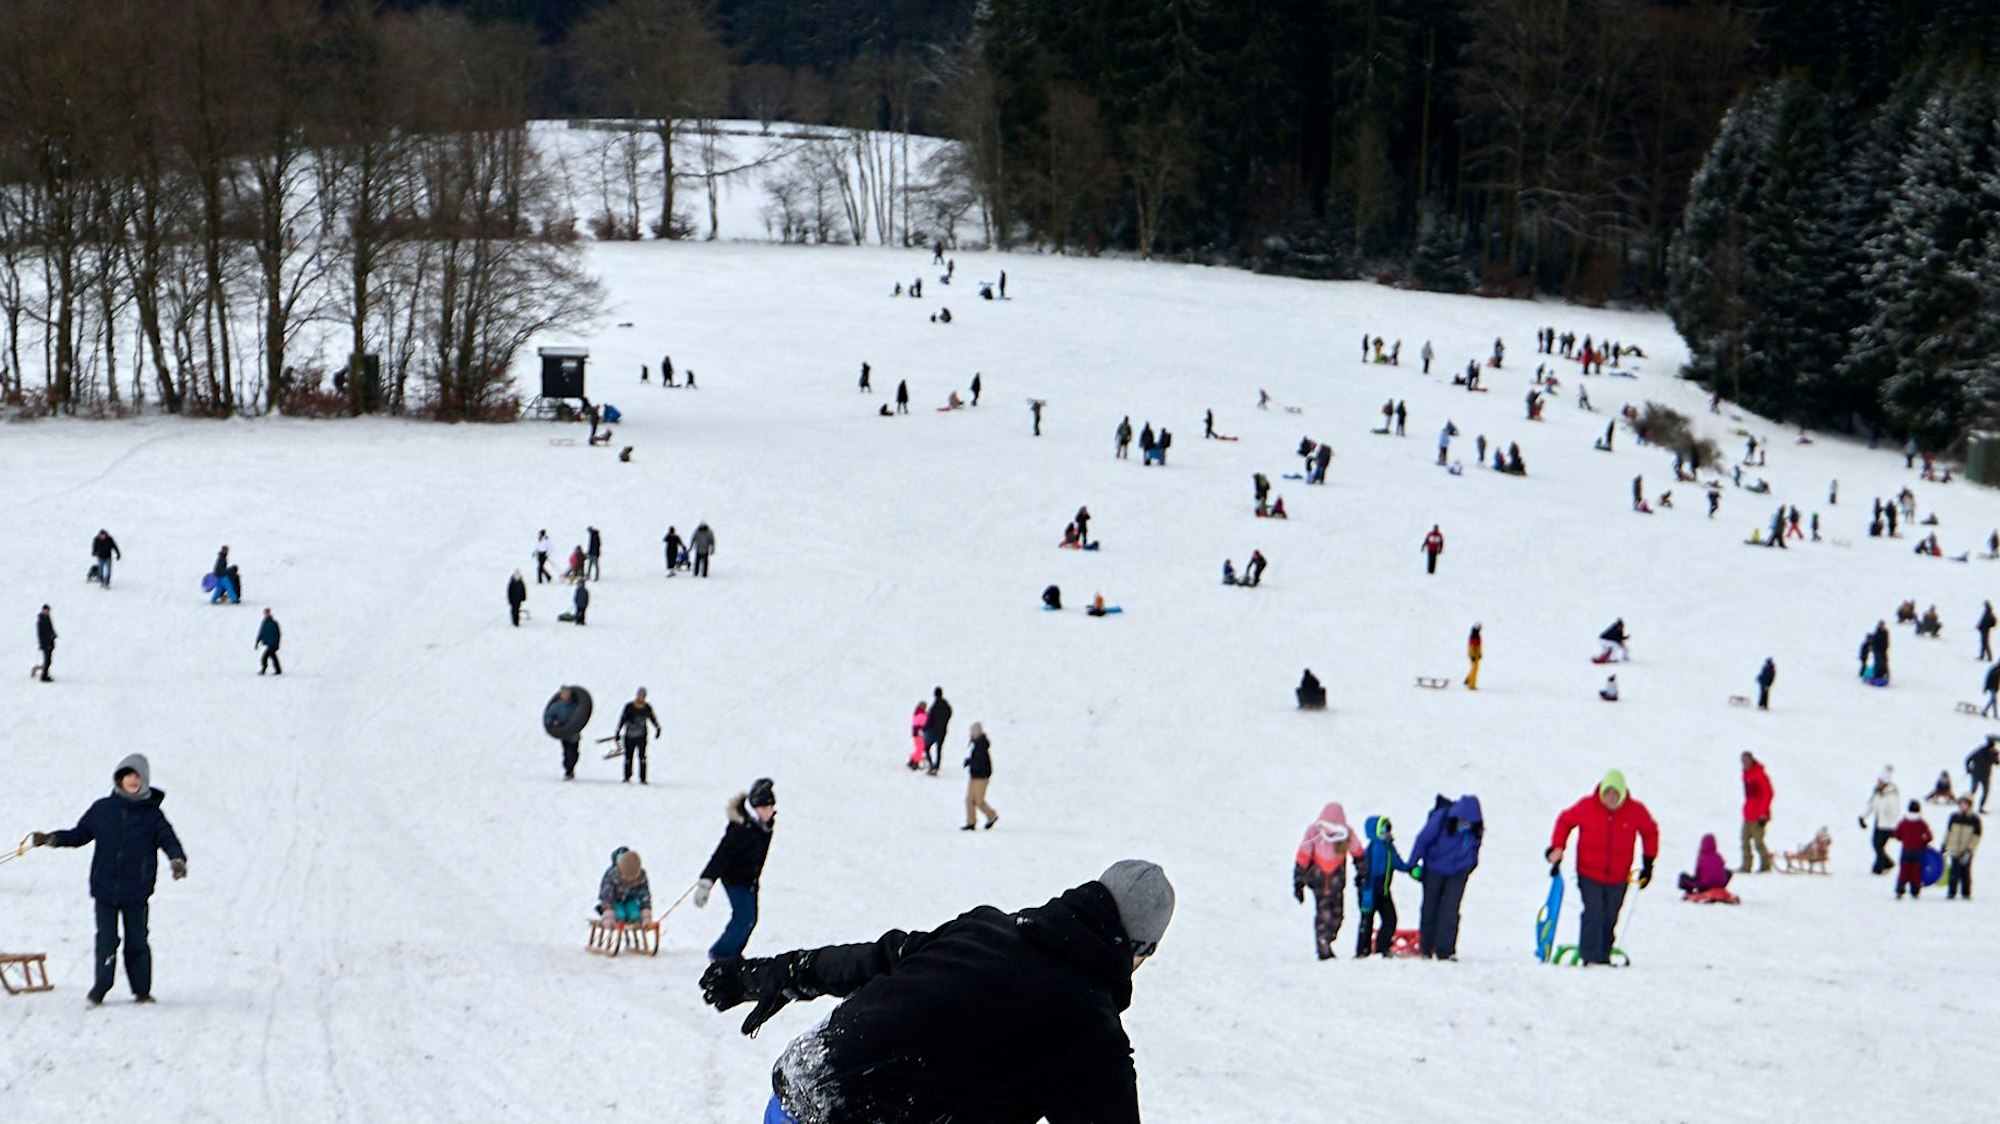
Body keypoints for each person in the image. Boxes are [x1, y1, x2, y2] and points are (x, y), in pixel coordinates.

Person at [699, 860, 1170, 1124]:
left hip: (799, 1081)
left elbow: (876, 956)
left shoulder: (983, 927)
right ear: (1138, 949)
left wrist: (783, 973)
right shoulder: (1089, 1026)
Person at [31, 754, 188, 1004]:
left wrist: (177, 860)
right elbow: (79, 834)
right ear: (120, 779)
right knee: (106, 940)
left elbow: (169, 840)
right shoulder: (102, 810)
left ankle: (142, 991)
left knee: (137, 941)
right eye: (128, 776)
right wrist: (52, 838)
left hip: (137, 889)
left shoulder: (153, 815)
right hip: (105, 888)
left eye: (138, 776)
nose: (133, 780)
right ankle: (100, 988)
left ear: (144, 780)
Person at [1546, 770, 1657, 965]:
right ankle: (1591, 957)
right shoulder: (1587, 806)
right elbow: (1565, 821)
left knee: (1610, 916)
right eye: (1608, 793)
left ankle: (1603, 954)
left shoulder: (1635, 811)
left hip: (1619, 876)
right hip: (1588, 872)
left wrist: (1648, 863)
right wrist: (1557, 847)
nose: (1611, 799)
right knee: (1593, 912)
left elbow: (1650, 832)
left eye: (1616, 794)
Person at [696, 778, 778, 961]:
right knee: (744, 917)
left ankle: (733, 954)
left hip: (751, 879)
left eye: (771, 807)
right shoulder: (740, 829)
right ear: (754, 808)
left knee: (751, 920)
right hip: (734, 879)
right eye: (765, 808)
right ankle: (721, 953)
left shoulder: (764, 825)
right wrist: (706, 883)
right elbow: (721, 855)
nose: (770, 811)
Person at [1404, 794, 1483, 959]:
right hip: (1434, 869)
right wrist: (1412, 864)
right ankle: (1427, 947)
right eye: (1461, 820)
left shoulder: (1475, 831)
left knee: (1450, 910)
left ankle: (1445, 950)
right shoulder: (1442, 818)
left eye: (1468, 822)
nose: (1464, 824)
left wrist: (1469, 867)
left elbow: (1474, 851)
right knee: (1429, 909)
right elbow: (1423, 840)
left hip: (1458, 872)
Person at [1294, 804, 1355, 959]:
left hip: (1337, 882)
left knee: (1338, 915)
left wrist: (1363, 871)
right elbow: (1303, 856)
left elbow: (1357, 851)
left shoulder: (1347, 834)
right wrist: (1298, 882)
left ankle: (1328, 939)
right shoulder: (1313, 832)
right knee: (1324, 915)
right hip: (1319, 882)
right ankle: (1323, 947)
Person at [1354, 815, 1410, 957]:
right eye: (1383, 829)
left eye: (1388, 828)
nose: (1387, 832)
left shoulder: (1388, 847)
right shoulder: (1374, 849)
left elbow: (1398, 863)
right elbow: (1367, 872)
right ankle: (1363, 950)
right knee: (1368, 920)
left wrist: (1411, 869)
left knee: (1389, 919)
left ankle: (1381, 947)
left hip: (1383, 891)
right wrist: (1365, 890)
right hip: (1370, 891)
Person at [617, 687, 663, 784]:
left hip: (641, 736)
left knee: (642, 757)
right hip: (629, 736)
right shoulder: (629, 707)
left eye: (643, 696)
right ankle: (627, 776)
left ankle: (643, 778)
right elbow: (622, 719)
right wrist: (618, 730)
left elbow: (652, 718)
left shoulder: (647, 708)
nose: (640, 697)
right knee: (628, 757)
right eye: (639, 695)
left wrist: (657, 728)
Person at [597, 847, 653, 926]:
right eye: (626, 878)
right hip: (615, 901)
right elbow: (606, 896)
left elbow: (644, 896)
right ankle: (616, 915)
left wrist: (646, 916)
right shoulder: (612, 876)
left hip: (630, 900)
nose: (629, 882)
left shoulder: (641, 877)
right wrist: (608, 913)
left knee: (636, 916)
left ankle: (631, 916)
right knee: (620, 915)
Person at [1861, 769, 1902, 874]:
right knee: (1876, 844)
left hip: (1888, 826)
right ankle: (1884, 864)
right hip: (1878, 823)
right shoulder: (1877, 793)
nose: (1878, 783)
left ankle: (1882, 866)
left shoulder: (1892, 796)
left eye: (1880, 781)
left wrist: (1893, 825)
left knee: (1878, 845)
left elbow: (1895, 812)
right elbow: (1871, 805)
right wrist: (1863, 817)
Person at [1740, 752, 1774, 873]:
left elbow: (1768, 793)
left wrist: (1763, 813)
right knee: (1744, 840)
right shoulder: (1746, 775)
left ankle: (1766, 865)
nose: (1744, 763)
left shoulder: (1759, 774)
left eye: (1746, 760)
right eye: (1743, 761)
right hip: (1748, 813)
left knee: (1758, 842)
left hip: (1758, 815)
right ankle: (1746, 865)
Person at [1893, 801, 1933, 899]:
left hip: (1906, 850)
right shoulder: (1922, 823)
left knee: (1904, 871)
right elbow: (1929, 837)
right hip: (1918, 851)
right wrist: (1923, 842)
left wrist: (1904, 840)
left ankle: (1900, 890)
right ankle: (1915, 891)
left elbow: (1897, 834)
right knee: (1916, 872)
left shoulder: (1904, 822)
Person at [546, 686, 587, 780]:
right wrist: (553, 723)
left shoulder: (574, 705)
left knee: (574, 753)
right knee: (567, 752)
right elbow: (549, 716)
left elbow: (581, 715)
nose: (565, 696)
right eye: (563, 694)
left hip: (574, 734)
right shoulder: (556, 707)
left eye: (566, 694)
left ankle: (571, 767)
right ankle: (568, 771)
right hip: (564, 733)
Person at [962, 722, 997, 830]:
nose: (970, 734)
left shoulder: (981, 745)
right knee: (969, 800)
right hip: (974, 776)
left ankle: (992, 816)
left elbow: (980, 762)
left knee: (978, 801)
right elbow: (976, 760)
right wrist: (970, 761)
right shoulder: (977, 744)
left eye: (972, 732)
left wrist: (970, 763)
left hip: (981, 777)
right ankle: (971, 822)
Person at [1944, 797, 1980, 900]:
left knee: (1965, 872)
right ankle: (1952, 891)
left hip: (1966, 851)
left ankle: (1966, 892)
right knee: (1954, 872)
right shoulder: (1954, 817)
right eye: (1960, 804)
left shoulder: (1974, 819)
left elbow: (1976, 837)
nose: (1962, 806)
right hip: (1955, 849)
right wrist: (1945, 845)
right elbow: (1949, 832)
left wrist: (1970, 849)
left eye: (1965, 804)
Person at [922, 687, 952, 775]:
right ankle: (937, 766)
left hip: (932, 732)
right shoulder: (946, 706)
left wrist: (924, 728)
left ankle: (931, 765)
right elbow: (949, 714)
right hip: (942, 732)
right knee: (939, 749)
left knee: (926, 747)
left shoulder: (934, 707)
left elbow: (929, 720)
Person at [1968, 736, 1997, 813]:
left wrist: (1969, 769)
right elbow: (1997, 762)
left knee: (1974, 790)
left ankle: (1969, 805)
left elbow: (1968, 759)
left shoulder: (1980, 751)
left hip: (1977, 774)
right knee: (1983, 791)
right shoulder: (1991, 753)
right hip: (1983, 775)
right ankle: (1976, 807)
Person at [255, 608, 282, 675]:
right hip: (269, 644)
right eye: (265, 613)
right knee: (273, 657)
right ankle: (278, 670)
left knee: (265, 657)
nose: (266, 614)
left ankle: (264, 669)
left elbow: (278, 634)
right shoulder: (264, 623)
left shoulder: (273, 623)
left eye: (267, 613)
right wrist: (257, 641)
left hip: (273, 644)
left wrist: (277, 643)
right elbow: (261, 633)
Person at [35, 603, 56, 682]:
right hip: (45, 644)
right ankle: (44, 676)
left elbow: (50, 629)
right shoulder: (41, 620)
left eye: (49, 611)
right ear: (43, 610)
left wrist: (54, 635)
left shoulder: (47, 618)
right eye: (47, 610)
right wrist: (44, 643)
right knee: (47, 660)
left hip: (50, 643)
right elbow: (41, 634)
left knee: (49, 660)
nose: (48, 612)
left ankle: (45, 674)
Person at [907, 701, 929, 770]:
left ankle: (912, 760)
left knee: (919, 748)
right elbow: (923, 723)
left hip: (916, 733)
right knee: (920, 748)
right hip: (919, 733)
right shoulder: (922, 714)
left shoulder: (916, 713)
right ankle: (915, 762)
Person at [1465, 623, 1483, 690]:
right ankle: (1471, 685)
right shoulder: (1474, 636)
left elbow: (1478, 647)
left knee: (1473, 668)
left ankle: (1468, 679)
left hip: (1476, 655)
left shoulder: (1476, 635)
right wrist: (1472, 655)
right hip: (1474, 655)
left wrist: (1480, 654)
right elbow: (1471, 647)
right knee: (1475, 670)